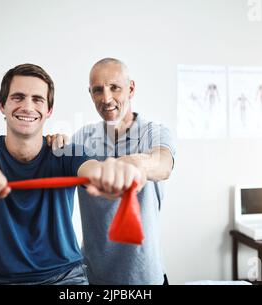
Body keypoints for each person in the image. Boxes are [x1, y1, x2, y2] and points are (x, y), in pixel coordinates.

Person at [0, 63, 145, 285]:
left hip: (66, 279)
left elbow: (93, 169)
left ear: (49, 110)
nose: (28, 107)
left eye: (37, 99)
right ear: (2, 105)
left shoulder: (65, 151)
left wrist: (109, 172)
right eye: (18, 97)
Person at [48, 58, 176, 285]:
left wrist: (135, 163)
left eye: (114, 88)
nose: (106, 99)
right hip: (92, 276)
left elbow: (163, 164)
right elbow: (55, 175)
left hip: (144, 277)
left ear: (131, 88)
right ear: (90, 93)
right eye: (98, 90)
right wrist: (53, 144)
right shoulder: (82, 137)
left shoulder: (153, 132)